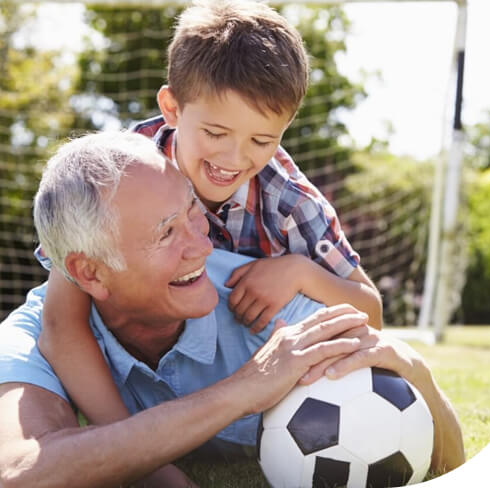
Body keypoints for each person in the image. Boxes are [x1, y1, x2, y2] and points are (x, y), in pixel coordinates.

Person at [0, 132, 464, 487]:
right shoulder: (42, 332)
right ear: (90, 274)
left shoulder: (274, 311)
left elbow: (447, 464)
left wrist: (416, 371)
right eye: (166, 233)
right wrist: (248, 388)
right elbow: (21, 473)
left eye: (193, 212)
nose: (202, 245)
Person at [38, 0, 384, 432]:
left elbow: (370, 311)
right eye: (216, 133)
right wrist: (130, 442)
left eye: (262, 140)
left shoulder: (291, 203)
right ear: (173, 108)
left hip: (227, 364)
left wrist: (299, 272)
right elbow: (60, 320)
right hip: (122, 352)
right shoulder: (119, 173)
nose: (234, 158)